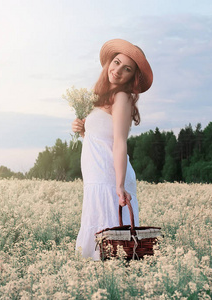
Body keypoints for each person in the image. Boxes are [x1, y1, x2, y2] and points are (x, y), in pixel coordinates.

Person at [72, 39, 153, 260]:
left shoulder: (122, 97)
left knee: (112, 236)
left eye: (126, 69)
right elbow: (100, 140)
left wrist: (119, 184)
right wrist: (82, 131)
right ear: (109, 62)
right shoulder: (101, 100)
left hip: (110, 179)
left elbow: (119, 142)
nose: (117, 71)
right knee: (101, 232)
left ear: (132, 77)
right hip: (97, 177)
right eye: (116, 63)